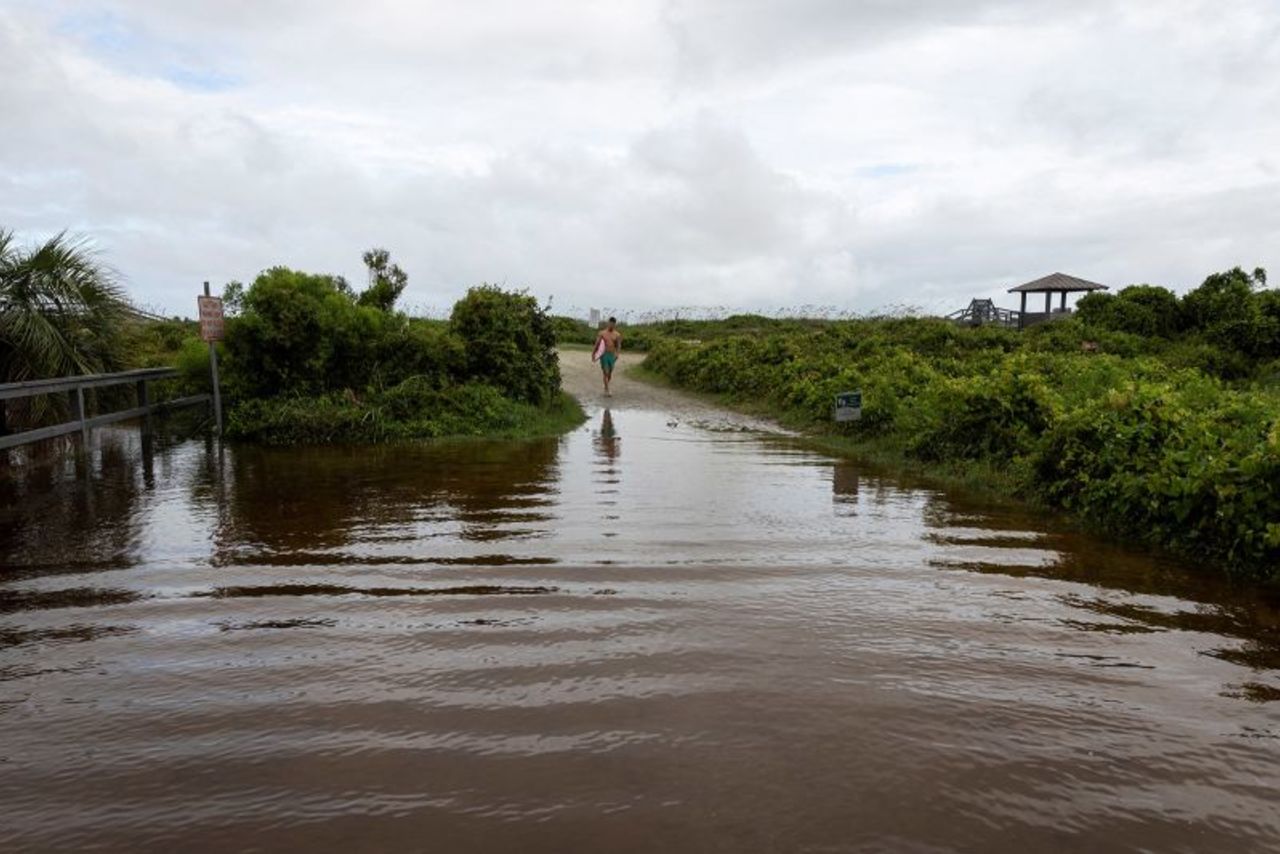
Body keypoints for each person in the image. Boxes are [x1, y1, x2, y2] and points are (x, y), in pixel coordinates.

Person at [594, 316, 623, 396]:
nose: (611, 325)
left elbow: (618, 346)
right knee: (606, 372)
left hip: (612, 355)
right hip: (604, 354)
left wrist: (617, 354)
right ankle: (607, 390)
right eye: (610, 323)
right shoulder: (602, 333)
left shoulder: (617, 335)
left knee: (609, 373)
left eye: (613, 324)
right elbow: (597, 344)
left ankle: (605, 386)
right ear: (608, 323)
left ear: (614, 324)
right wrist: (594, 353)